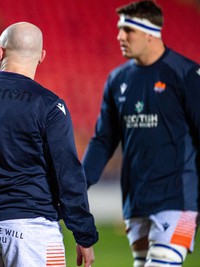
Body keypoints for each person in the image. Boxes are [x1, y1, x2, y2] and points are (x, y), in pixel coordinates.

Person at [0, 21, 98, 267]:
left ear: (0, 52)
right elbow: (67, 173)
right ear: (41, 57)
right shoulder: (48, 104)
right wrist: (84, 233)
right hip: (31, 228)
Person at [82, 1, 200, 267]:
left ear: (150, 33)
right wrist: (79, 183)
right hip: (136, 201)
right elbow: (103, 140)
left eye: (127, 30)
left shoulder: (186, 75)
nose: (119, 36)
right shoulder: (117, 80)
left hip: (178, 198)